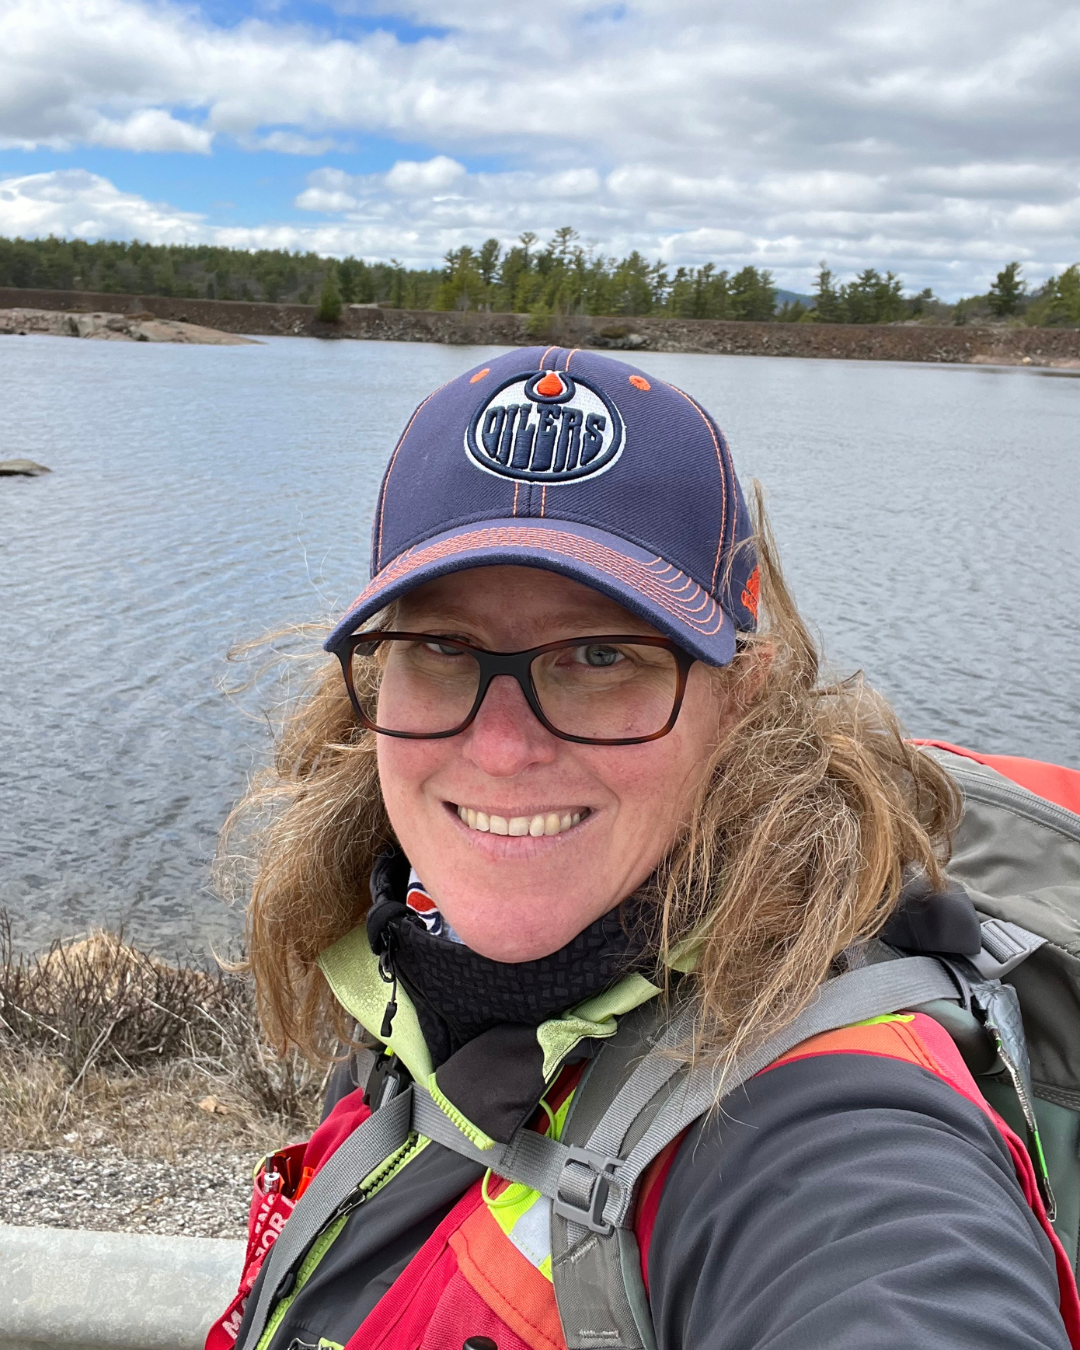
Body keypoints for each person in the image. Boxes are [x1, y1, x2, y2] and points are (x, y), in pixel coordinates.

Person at [211, 346, 1079, 1350]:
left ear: (740, 701)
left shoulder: (820, 1129)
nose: (499, 749)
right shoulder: (416, 961)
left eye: (599, 655)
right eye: (443, 648)